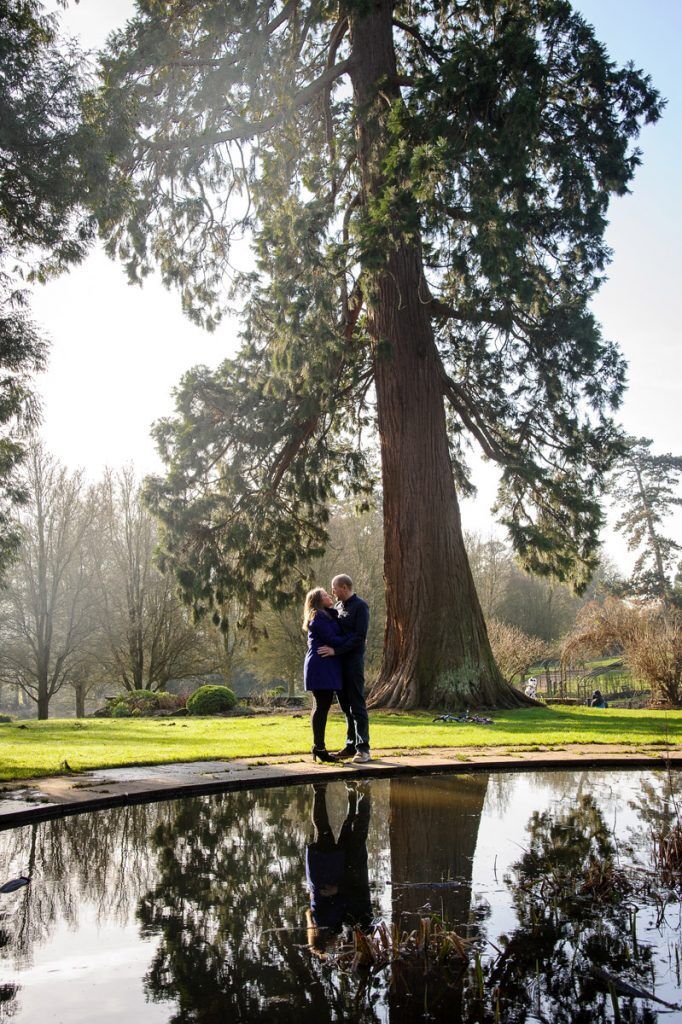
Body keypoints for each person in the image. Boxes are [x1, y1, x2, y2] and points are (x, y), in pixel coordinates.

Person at [305, 780, 372, 955]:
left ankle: (321, 789)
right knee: (339, 828)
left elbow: (340, 902)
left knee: (324, 830)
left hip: (325, 871)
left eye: (331, 946)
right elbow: (346, 901)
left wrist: (338, 890)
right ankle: (346, 791)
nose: (335, 946)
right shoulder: (331, 925)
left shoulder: (326, 923)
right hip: (330, 872)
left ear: (324, 939)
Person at [318, 574, 371, 763]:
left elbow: (359, 637)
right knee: (346, 707)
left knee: (357, 705)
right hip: (338, 663)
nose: (332, 592)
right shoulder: (338, 607)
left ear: (344, 587)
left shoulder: (360, 607)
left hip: (353, 662)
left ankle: (363, 749)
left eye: (334, 588)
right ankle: (350, 745)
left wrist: (336, 650)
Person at [303, 587, 345, 762]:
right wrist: (354, 639)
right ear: (319, 601)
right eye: (326, 595)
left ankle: (318, 747)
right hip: (321, 666)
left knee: (321, 707)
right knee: (321, 707)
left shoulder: (326, 615)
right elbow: (331, 639)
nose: (329, 596)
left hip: (323, 665)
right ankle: (319, 748)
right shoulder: (319, 617)